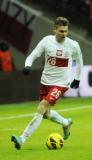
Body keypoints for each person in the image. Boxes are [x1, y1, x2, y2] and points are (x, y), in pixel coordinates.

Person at [11, 16, 83, 150]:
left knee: (42, 106)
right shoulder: (46, 41)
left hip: (61, 83)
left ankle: (22, 138)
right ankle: (66, 123)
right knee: (46, 113)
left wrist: (77, 78)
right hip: (45, 81)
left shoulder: (72, 45)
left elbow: (79, 61)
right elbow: (33, 54)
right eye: (61, 31)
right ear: (54, 29)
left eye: (66, 31)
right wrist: (27, 66)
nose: (64, 34)